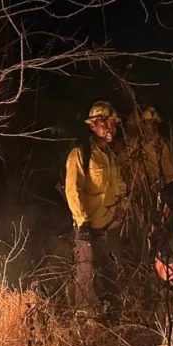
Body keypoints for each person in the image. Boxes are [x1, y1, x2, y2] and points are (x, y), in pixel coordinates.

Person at [65, 101, 126, 317]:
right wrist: (82, 222)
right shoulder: (80, 154)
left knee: (111, 274)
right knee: (85, 276)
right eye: (104, 123)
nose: (110, 128)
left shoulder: (109, 155)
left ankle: (115, 316)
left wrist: (122, 206)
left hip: (111, 226)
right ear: (92, 126)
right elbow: (72, 190)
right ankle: (84, 321)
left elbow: (119, 185)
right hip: (89, 227)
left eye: (113, 124)